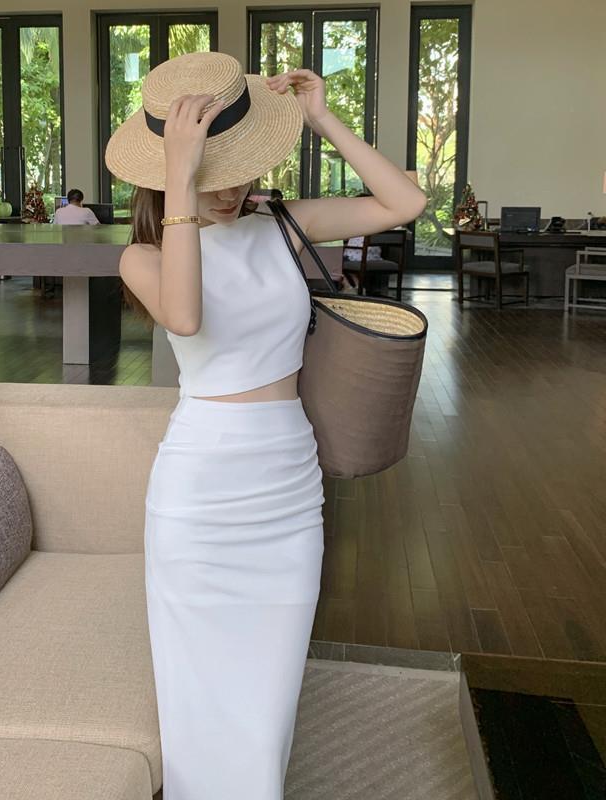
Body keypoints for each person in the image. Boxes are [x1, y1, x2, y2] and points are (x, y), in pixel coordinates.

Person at [105, 52, 426, 800]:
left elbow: (404, 202)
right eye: (212, 173)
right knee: (199, 699)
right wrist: (182, 179)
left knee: (266, 706)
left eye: (239, 170)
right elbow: (186, 315)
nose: (231, 189)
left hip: (287, 489)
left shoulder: (284, 225)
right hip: (198, 497)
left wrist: (322, 119)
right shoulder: (140, 257)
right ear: (170, 168)